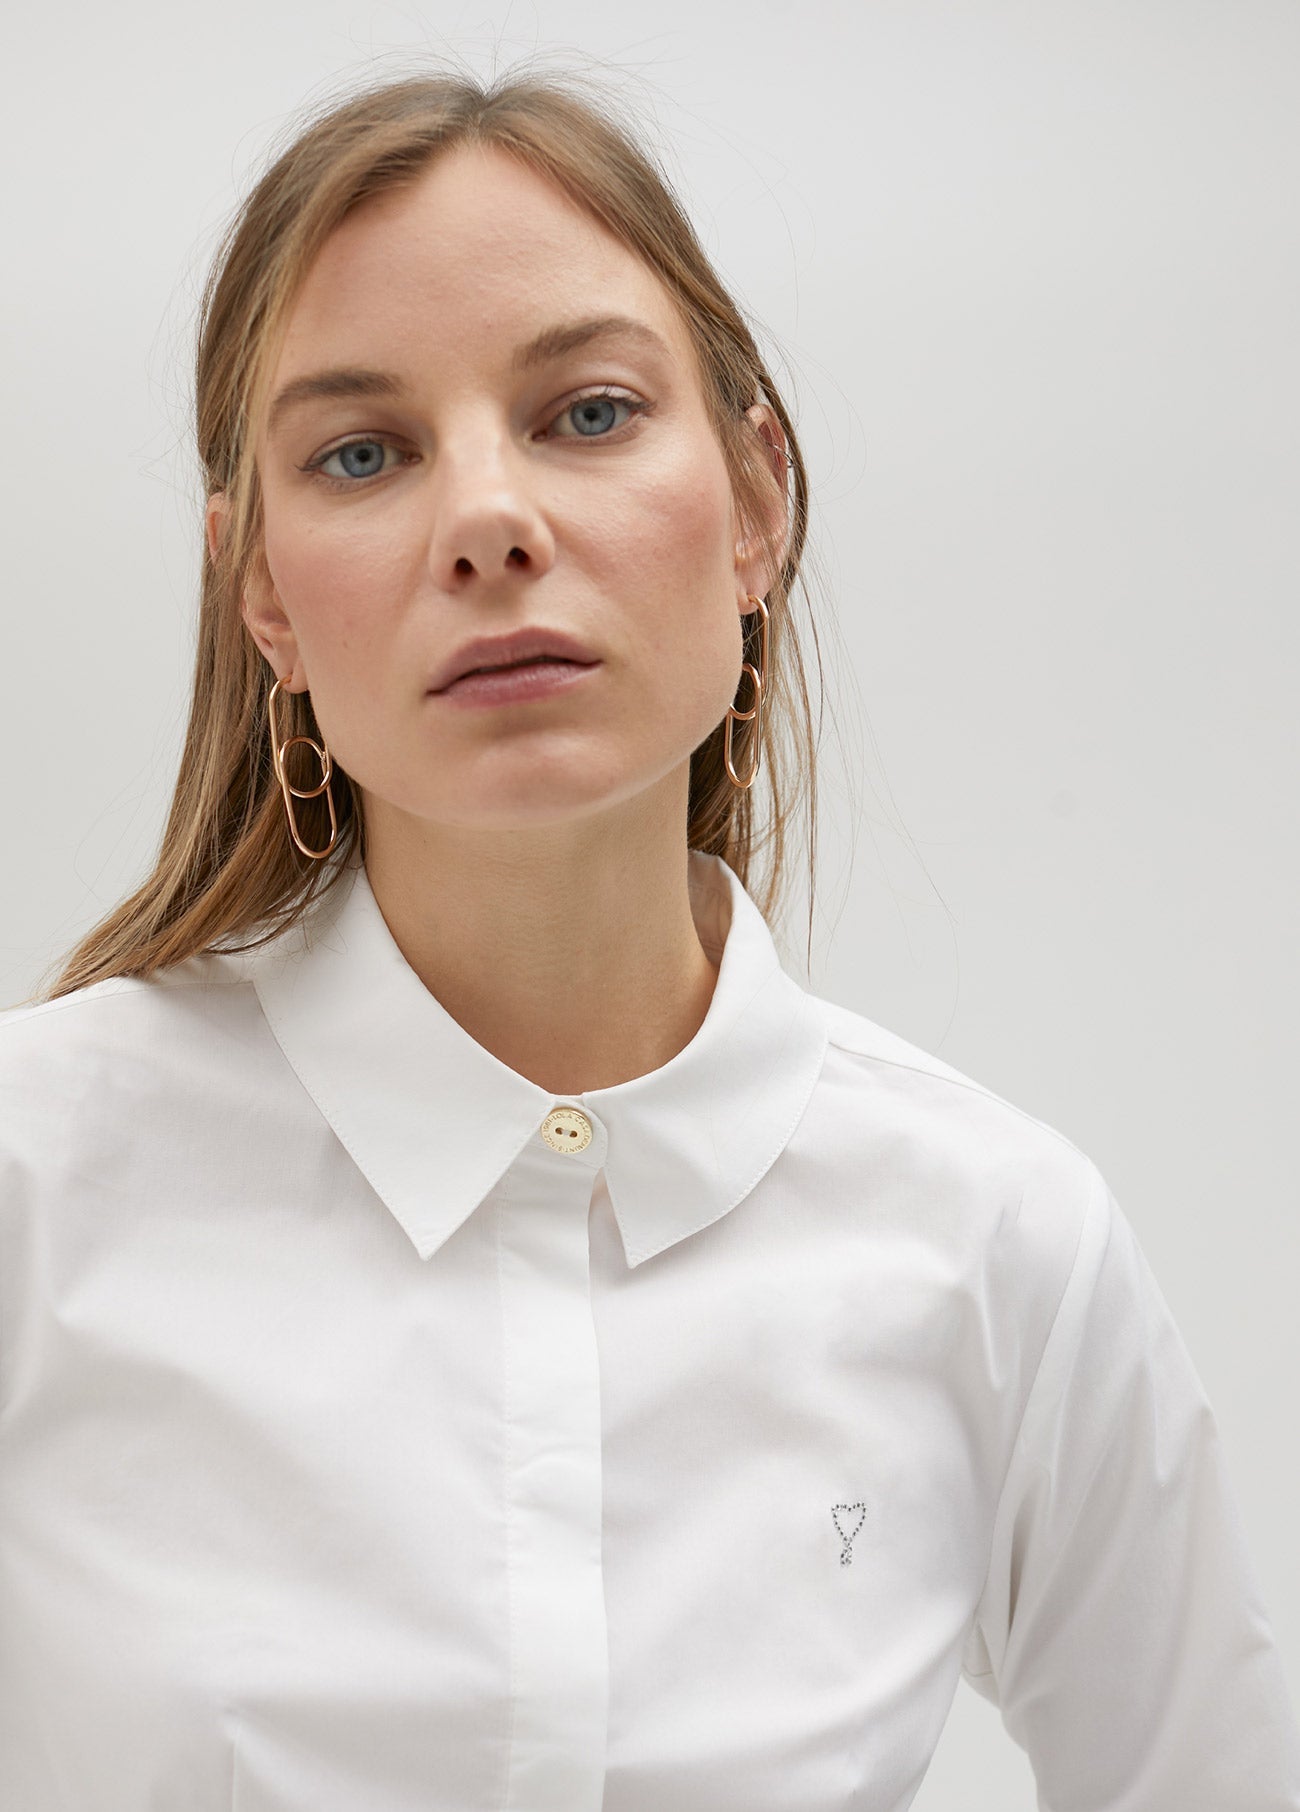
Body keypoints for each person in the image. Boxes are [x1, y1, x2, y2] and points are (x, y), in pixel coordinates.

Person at [1, 64, 1296, 1812]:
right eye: (362, 453)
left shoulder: (997, 1245)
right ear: (262, 596)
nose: (490, 522)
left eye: (590, 413)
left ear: (759, 498)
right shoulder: (36, 1182)